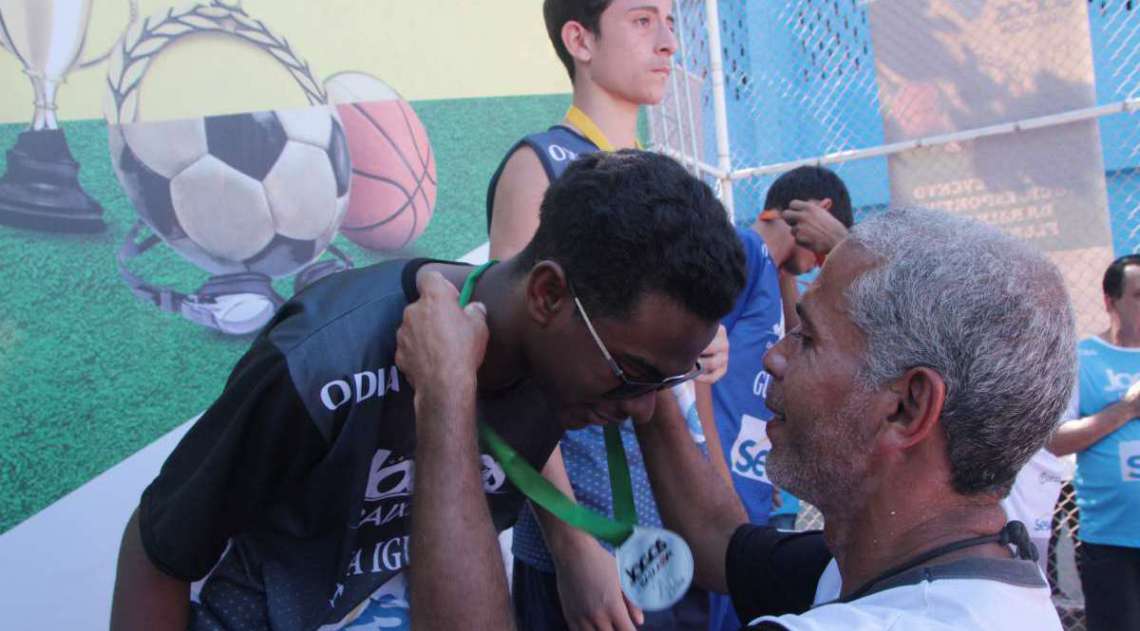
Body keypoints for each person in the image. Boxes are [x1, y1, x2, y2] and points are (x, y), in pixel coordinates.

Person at [109, 150, 746, 631]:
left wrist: (655, 387)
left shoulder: (570, 364)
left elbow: (723, 545)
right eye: (633, 376)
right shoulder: (326, 362)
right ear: (549, 295)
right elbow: (159, 546)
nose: (639, 407)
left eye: (662, 383)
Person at [636, 208, 1074, 629]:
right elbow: (721, 545)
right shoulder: (946, 568)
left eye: (807, 338)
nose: (774, 357)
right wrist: (654, 377)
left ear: (907, 406)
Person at [487, 1, 728, 628]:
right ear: (580, 39)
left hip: (681, 533)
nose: (670, 42)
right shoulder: (539, 165)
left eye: (671, 22)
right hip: (601, 552)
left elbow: (687, 393)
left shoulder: (669, 180)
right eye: (644, 20)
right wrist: (574, 549)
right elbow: (516, 369)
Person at [707, 167, 852, 631]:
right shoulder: (744, 252)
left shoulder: (772, 277)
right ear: (821, 210)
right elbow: (694, 374)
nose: (817, 264)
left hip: (746, 499)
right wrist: (716, 481)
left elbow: (801, 330)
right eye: (818, 254)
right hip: (719, 502)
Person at [1047, 253, 1140, 631]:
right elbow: (1054, 441)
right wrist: (1126, 410)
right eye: (1139, 295)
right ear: (1110, 301)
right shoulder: (1082, 359)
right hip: (1110, 539)